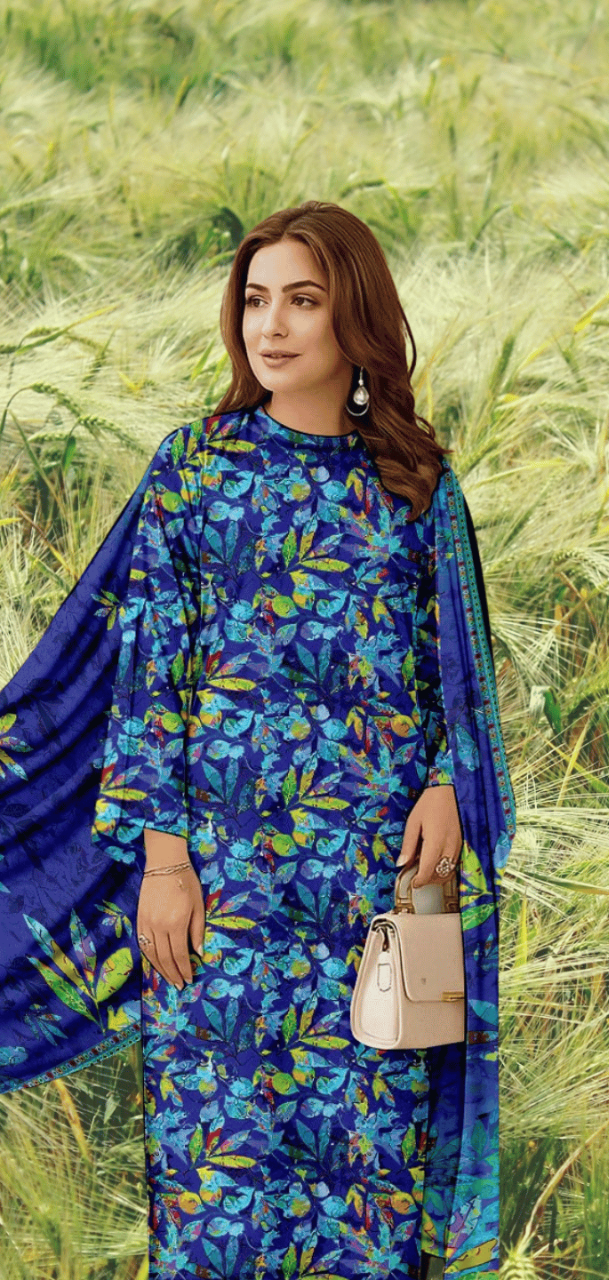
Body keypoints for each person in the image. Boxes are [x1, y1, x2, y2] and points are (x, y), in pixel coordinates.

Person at [0, 201, 516, 1280]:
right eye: (254, 299)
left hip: (373, 893)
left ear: (355, 318)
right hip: (222, 896)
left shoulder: (416, 487)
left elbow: (456, 680)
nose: (270, 325)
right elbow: (151, 679)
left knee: (366, 1188)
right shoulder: (193, 469)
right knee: (217, 1191)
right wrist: (164, 859)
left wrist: (448, 786)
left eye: (304, 299)